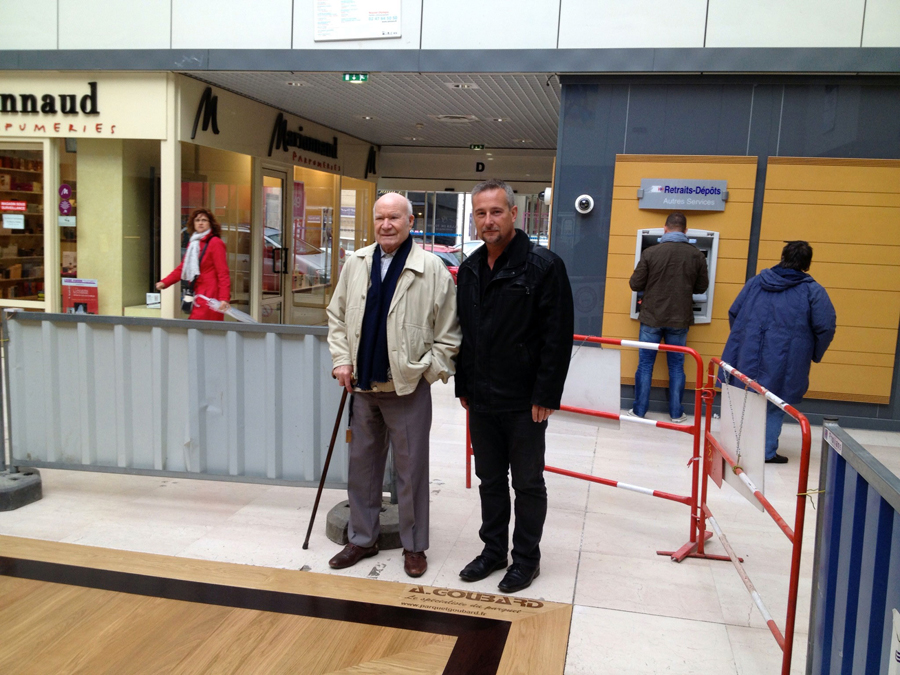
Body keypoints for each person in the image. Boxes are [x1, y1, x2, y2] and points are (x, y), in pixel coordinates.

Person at [326, 192, 460, 578]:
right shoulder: (356, 263)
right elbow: (337, 317)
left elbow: (449, 333)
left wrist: (426, 372)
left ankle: (414, 545)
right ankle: (362, 538)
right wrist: (342, 361)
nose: (387, 224)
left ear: (410, 221)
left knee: (411, 469)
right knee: (362, 466)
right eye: (380, 217)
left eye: (395, 218)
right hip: (363, 385)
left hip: (407, 386)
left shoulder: (431, 268)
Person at [455, 179, 574, 594]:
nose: (489, 220)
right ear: (474, 219)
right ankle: (493, 552)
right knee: (489, 479)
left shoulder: (543, 266)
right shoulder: (470, 268)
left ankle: (526, 559)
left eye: (496, 212)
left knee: (526, 481)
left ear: (514, 213)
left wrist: (546, 394)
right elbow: (466, 333)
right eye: (481, 213)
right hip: (482, 398)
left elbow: (557, 337)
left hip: (525, 401)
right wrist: (463, 385)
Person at [720, 240, 836, 463]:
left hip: (749, 352)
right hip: (787, 358)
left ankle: (739, 448)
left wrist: (742, 340)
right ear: (807, 264)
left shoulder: (756, 283)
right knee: (776, 402)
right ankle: (765, 452)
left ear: (783, 256)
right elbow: (826, 326)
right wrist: (813, 352)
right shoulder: (812, 291)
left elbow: (734, 311)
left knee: (747, 398)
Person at [628, 212, 708, 422]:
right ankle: (676, 413)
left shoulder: (651, 252)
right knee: (676, 366)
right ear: (686, 231)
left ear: (665, 229)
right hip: (679, 319)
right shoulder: (697, 255)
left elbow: (635, 284)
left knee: (645, 364)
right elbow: (701, 287)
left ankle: (639, 411)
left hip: (651, 317)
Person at [157, 209, 230, 320]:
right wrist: (165, 282)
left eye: (204, 220)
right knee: (197, 328)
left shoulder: (215, 242)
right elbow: (183, 268)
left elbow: (223, 272)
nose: (200, 223)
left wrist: (224, 298)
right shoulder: (193, 243)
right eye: (197, 220)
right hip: (198, 292)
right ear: (193, 223)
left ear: (210, 223)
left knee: (203, 328)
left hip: (211, 294)